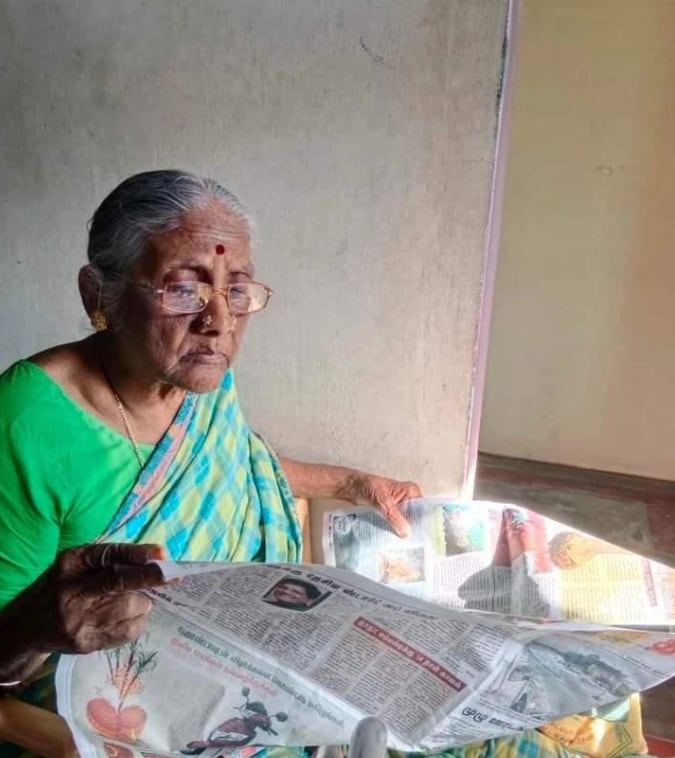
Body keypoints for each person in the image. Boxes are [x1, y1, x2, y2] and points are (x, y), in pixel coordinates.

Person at [0, 171, 647, 758]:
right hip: (123, 718)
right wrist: (37, 634)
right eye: (182, 288)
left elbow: (239, 465)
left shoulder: (198, 382)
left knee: (574, 701)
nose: (218, 320)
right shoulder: (29, 422)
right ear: (99, 295)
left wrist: (350, 482)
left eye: (237, 288)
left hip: (268, 651)